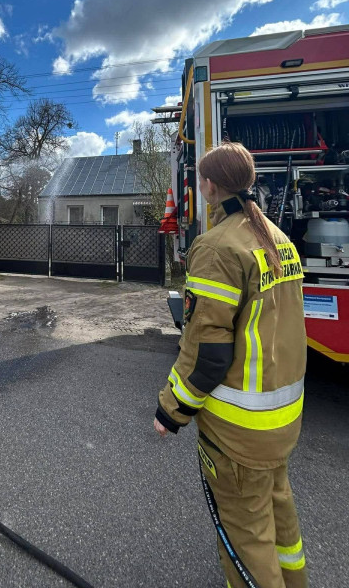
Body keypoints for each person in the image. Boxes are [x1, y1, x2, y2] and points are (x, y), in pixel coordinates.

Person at [154, 142, 307, 587]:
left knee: (247, 538)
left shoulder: (217, 247)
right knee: (281, 523)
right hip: (281, 421)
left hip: (239, 432)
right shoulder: (277, 239)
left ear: (208, 186)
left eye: (201, 180)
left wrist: (171, 409)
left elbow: (207, 351)